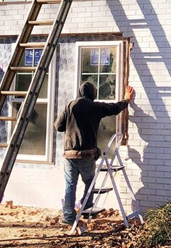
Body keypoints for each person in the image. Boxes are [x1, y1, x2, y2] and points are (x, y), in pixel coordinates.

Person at [54, 82, 135, 226]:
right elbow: (115, 108)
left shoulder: (70, 106)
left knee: (70, 185)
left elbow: (58, 126)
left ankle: (68, 217)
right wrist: (126, 99)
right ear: (93, 93)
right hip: (87, 154)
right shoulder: (95, 107)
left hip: (70, 154)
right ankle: (87, 206)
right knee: (90, 182)